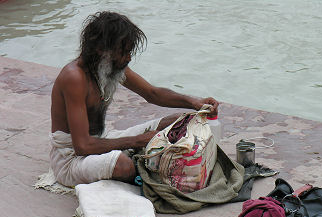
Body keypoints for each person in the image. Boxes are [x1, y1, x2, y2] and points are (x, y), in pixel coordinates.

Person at [50, 11, 219, 187]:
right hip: (71, 160)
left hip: (101, 140)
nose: (129, 58)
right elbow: (82, 146)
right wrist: (137, 140)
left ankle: (148, 161)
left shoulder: (109, 66)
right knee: (123, 166)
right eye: (124, 52)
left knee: (177, 122)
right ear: (102, 50)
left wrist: (194, 102)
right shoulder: (74, 77)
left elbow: (152, 93)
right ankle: (146, 170)